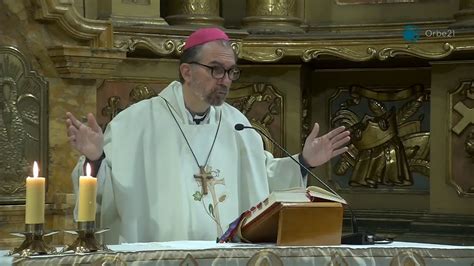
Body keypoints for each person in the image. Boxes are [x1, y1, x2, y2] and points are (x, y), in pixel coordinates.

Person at [66, 28, 350, 244]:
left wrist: (303, 162)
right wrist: (97, 158)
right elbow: (103, 192)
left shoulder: (237, 125)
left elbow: (262, 180)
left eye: (230, 71)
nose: (225, 80)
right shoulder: (135, 123)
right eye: (216, 70)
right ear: (186, 72)